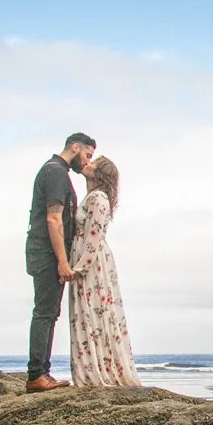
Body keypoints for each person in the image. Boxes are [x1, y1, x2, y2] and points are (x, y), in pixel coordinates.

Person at [24, 132, 95, 392]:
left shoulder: (58, 172)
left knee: (49, 313)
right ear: (75, 147)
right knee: (44, 312)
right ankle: (36, 375)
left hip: (45, 252)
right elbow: (54, 219)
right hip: (46, 253)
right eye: (87, 154)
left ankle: (42, 372)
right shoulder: (55, 172)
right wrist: (62, 262)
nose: (87, 161)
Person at [66, 155, 141, 387]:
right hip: (88, 259)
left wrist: (79, 268)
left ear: (100, 174)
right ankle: (93, 368)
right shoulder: (93, 196)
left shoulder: (98, 198)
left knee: (92, 311)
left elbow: (94, 235)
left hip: (92, 263)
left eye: (93, 164)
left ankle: (98, 371)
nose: (86, 164)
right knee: (89, 312)